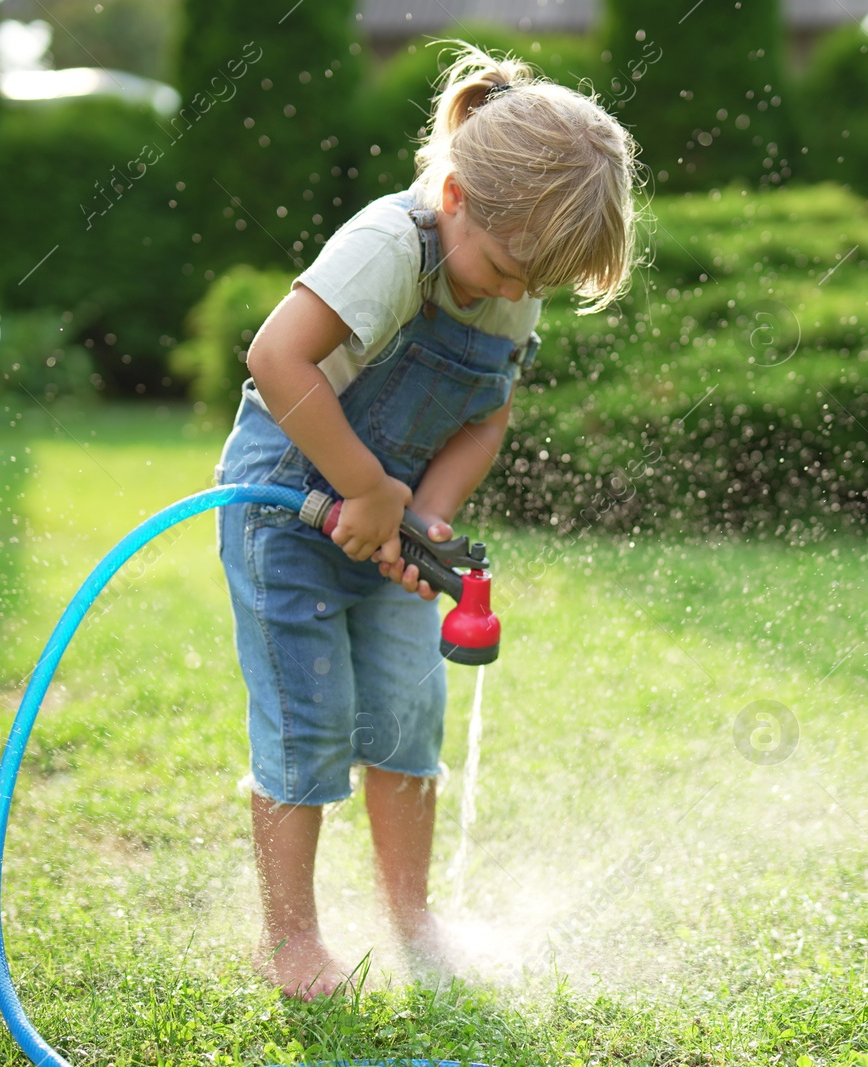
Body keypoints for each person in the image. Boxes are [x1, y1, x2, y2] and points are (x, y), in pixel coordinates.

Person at [212, 40, 642, 1000]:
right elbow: (277, 358)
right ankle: (289, 940)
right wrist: (366, 488)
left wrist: (428, 516)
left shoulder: (510, 277)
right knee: (308, 717)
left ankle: (414, 920)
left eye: (535, 284)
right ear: (455, 197)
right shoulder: (388, 244)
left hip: (387, 511)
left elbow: (486, 415)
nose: (512, 294)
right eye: (503, 268)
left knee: (406, 715)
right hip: (285, 504)